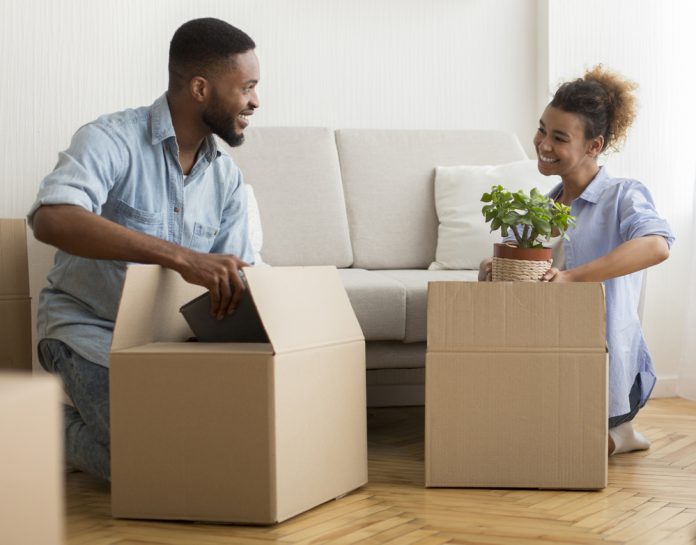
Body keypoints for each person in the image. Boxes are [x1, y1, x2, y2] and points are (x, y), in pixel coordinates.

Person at [28, 18, 260, 481]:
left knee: (209, 453)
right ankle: (32, 429)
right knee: (151, 463)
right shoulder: (110, 138)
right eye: (247, 87)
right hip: (86, 330)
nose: (255, 101)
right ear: (200, 88)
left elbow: (232, 285)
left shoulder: (227, 179)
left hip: (165, 343)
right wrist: (180, 256)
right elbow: (51, 218)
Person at [479, 66, 674, 455]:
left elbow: (657, 245)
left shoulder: (623, 195)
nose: (543, 144)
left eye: (559, 138)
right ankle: (616, 434)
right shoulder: (542, 207)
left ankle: (620, 431)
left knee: (569, 448)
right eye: (542, 130)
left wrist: (573, 277)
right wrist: (494, 271)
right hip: (551, 353)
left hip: (604, 364)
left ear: (593, 146)